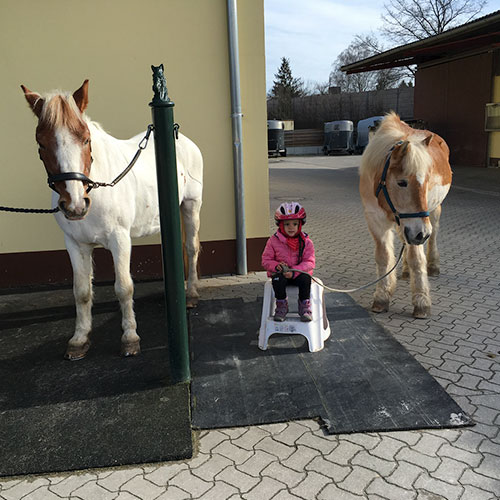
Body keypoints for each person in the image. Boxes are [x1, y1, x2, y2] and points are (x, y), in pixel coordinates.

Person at [262, 201, 316, 322]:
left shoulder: (306, 242)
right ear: (281, 225)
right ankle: (281, 305)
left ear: (300, 225)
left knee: (305, 279)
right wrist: (277, 266)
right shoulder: (273, 241)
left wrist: (294, 272)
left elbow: (310, 262)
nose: (291, 227)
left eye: (295, 224)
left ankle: (304, 306)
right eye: (287, 224)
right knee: (277, 279)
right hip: (281, 274)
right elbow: (265, 260)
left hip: (298, 274)